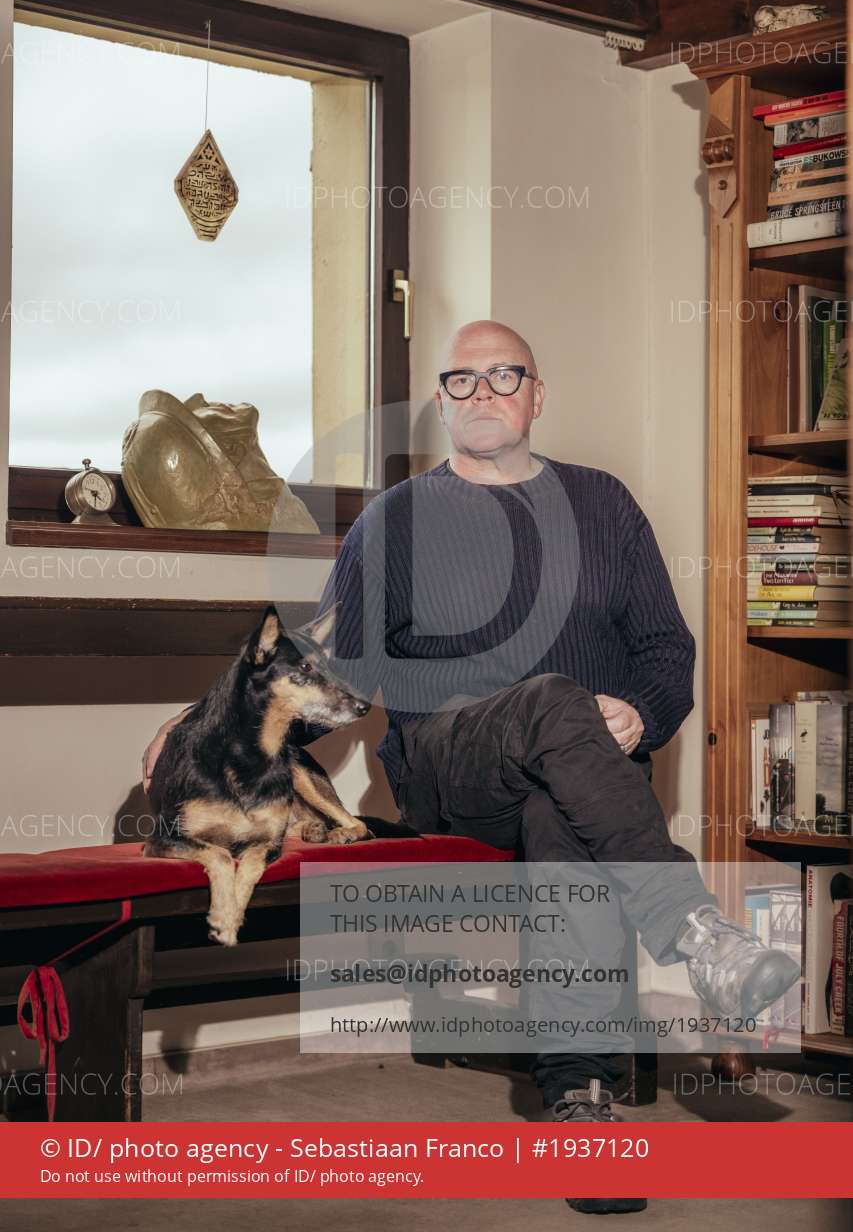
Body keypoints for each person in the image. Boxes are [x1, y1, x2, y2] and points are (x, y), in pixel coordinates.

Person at [143, 320, 799, 1216]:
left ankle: (580, 1100)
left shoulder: (603, 504)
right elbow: (331, 670)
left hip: (580, 775)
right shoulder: (397, 520)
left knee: (561, 815)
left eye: (504, 376)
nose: (483, 392)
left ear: (537, 394)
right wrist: (200, 725)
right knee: (556, 701)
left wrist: (642, 712)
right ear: (441, 402)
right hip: (449, 765)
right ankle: (696, 933)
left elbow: (664, 649)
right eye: (462, 380)